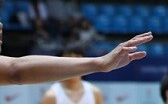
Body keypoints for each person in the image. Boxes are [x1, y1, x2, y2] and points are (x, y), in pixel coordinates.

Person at [0, 21, 152, 85]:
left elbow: (16, 70)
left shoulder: (93, 93)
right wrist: (100, 63)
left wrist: (101, 63)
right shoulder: (52, 97)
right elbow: (16, 70)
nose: (1, 25)